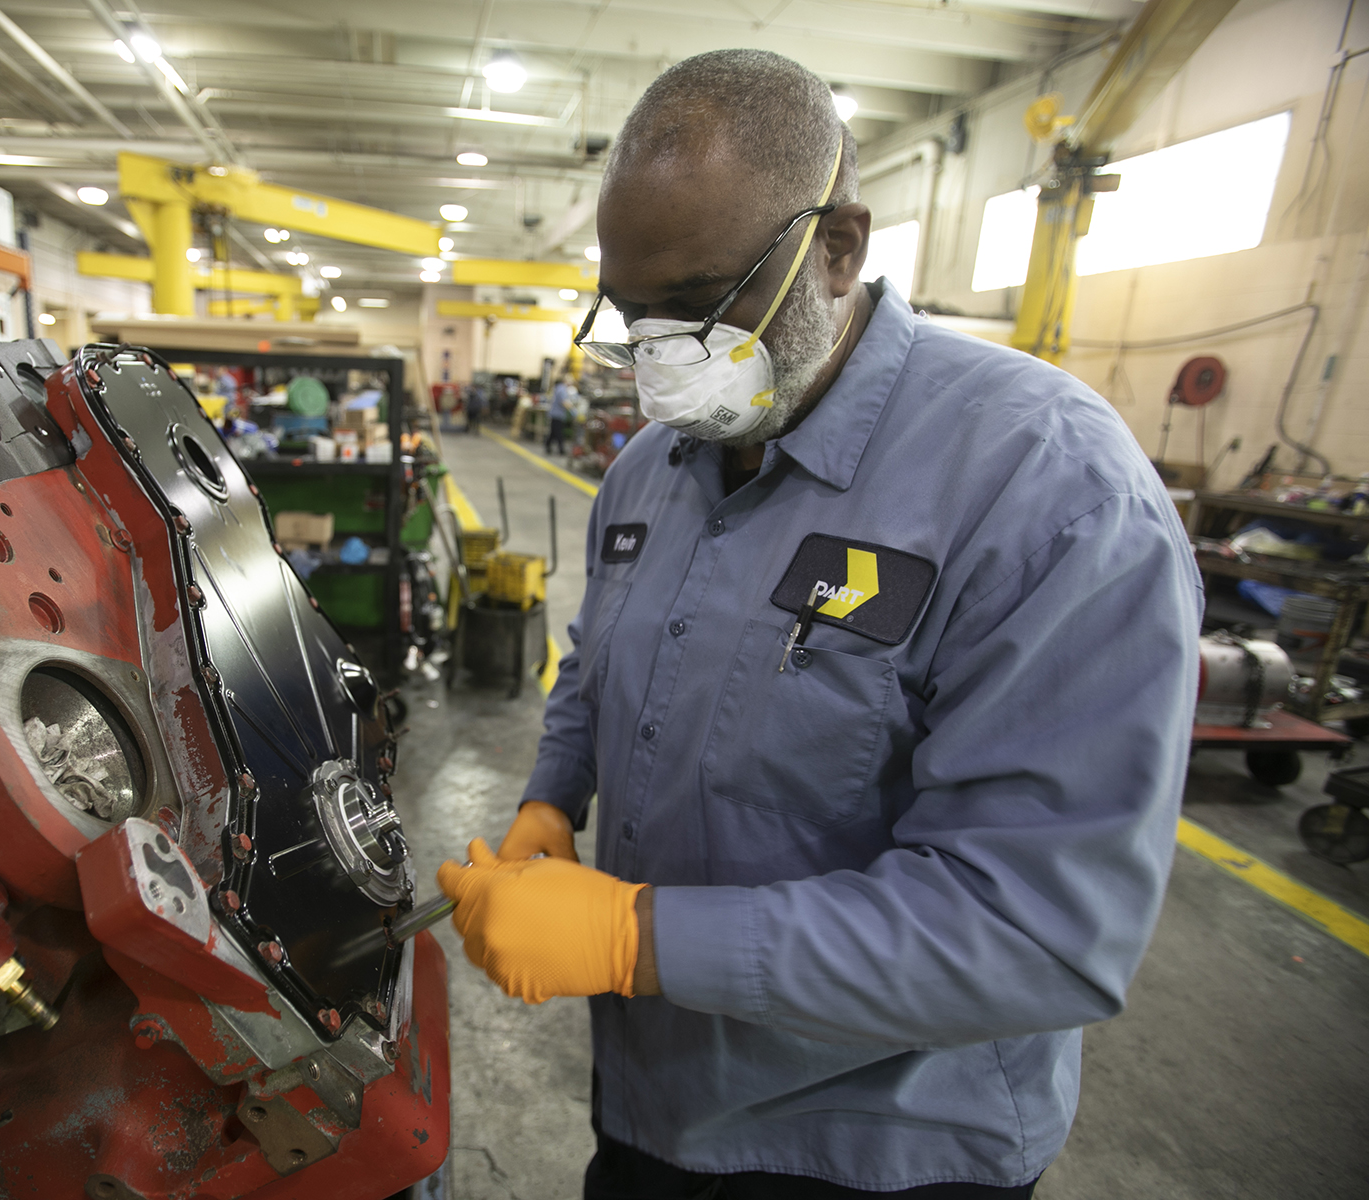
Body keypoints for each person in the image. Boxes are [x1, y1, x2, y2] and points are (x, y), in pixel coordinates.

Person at [436, 49, 1201, 1200]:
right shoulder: (654, 466)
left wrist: (639, 941)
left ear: (839, 245)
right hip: (653, 1103)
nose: (663, 361)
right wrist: (555, 793)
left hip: (875, 1149)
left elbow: (1040, 928)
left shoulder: (1046, 489)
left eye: (698, 308)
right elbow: (602, 661)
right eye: (633, 319)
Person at [547, 378, 573, 454]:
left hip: (555, 414)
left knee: (553, 432)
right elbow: (564, 402)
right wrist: (573, 410)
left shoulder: (557, 388)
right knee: (559, 433)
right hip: (558, 415)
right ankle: (561, 449)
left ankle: (547, 446)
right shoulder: (562, 389)